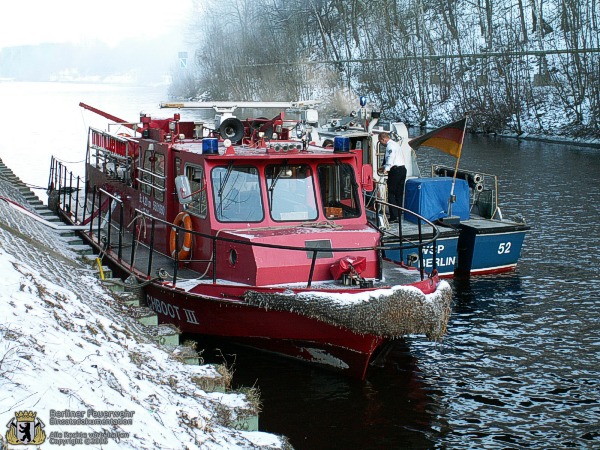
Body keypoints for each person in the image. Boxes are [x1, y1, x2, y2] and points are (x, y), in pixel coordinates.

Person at [378, 132, 407, 222]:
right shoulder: (396, 145)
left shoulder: (390, 146)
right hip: (402, 169)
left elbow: (391, 157)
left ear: (383, 139)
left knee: (391, 193)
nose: (381, 144)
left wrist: (386, 168)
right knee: (399, 193)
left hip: (395, 171)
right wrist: (383, 167)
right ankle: (399, 214)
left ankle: (393, 216)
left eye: (380, 141)